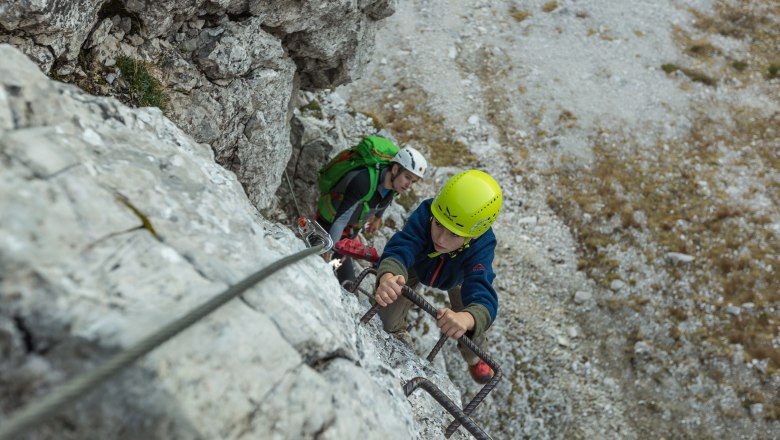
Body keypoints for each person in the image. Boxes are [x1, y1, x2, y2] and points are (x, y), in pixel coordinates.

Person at [373, 170, 502, 384]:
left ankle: (474, 358)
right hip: (417, 265)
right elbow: (403, 246)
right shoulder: (428, 211)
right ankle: (396, 333)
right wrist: (388, 276)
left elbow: (482, 292)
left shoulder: (482, 244)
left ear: (475, 234)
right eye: (439, 224)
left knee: (471, 324)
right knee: (384, 316)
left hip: (458, 279)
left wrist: (465, 318)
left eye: (454, 234)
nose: (440, 239)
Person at [315, 137, 427, 283]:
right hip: (327, 225)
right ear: (394, 169)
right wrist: (329, 251)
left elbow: (383, 201)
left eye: (413, 181)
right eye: (407, 177)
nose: (408, 185)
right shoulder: (364, 181)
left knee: (348, 282)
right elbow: (340, 219)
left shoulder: (393, 187)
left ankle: (334, 267)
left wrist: (377, 218)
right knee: (327, 269)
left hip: (346, 233)